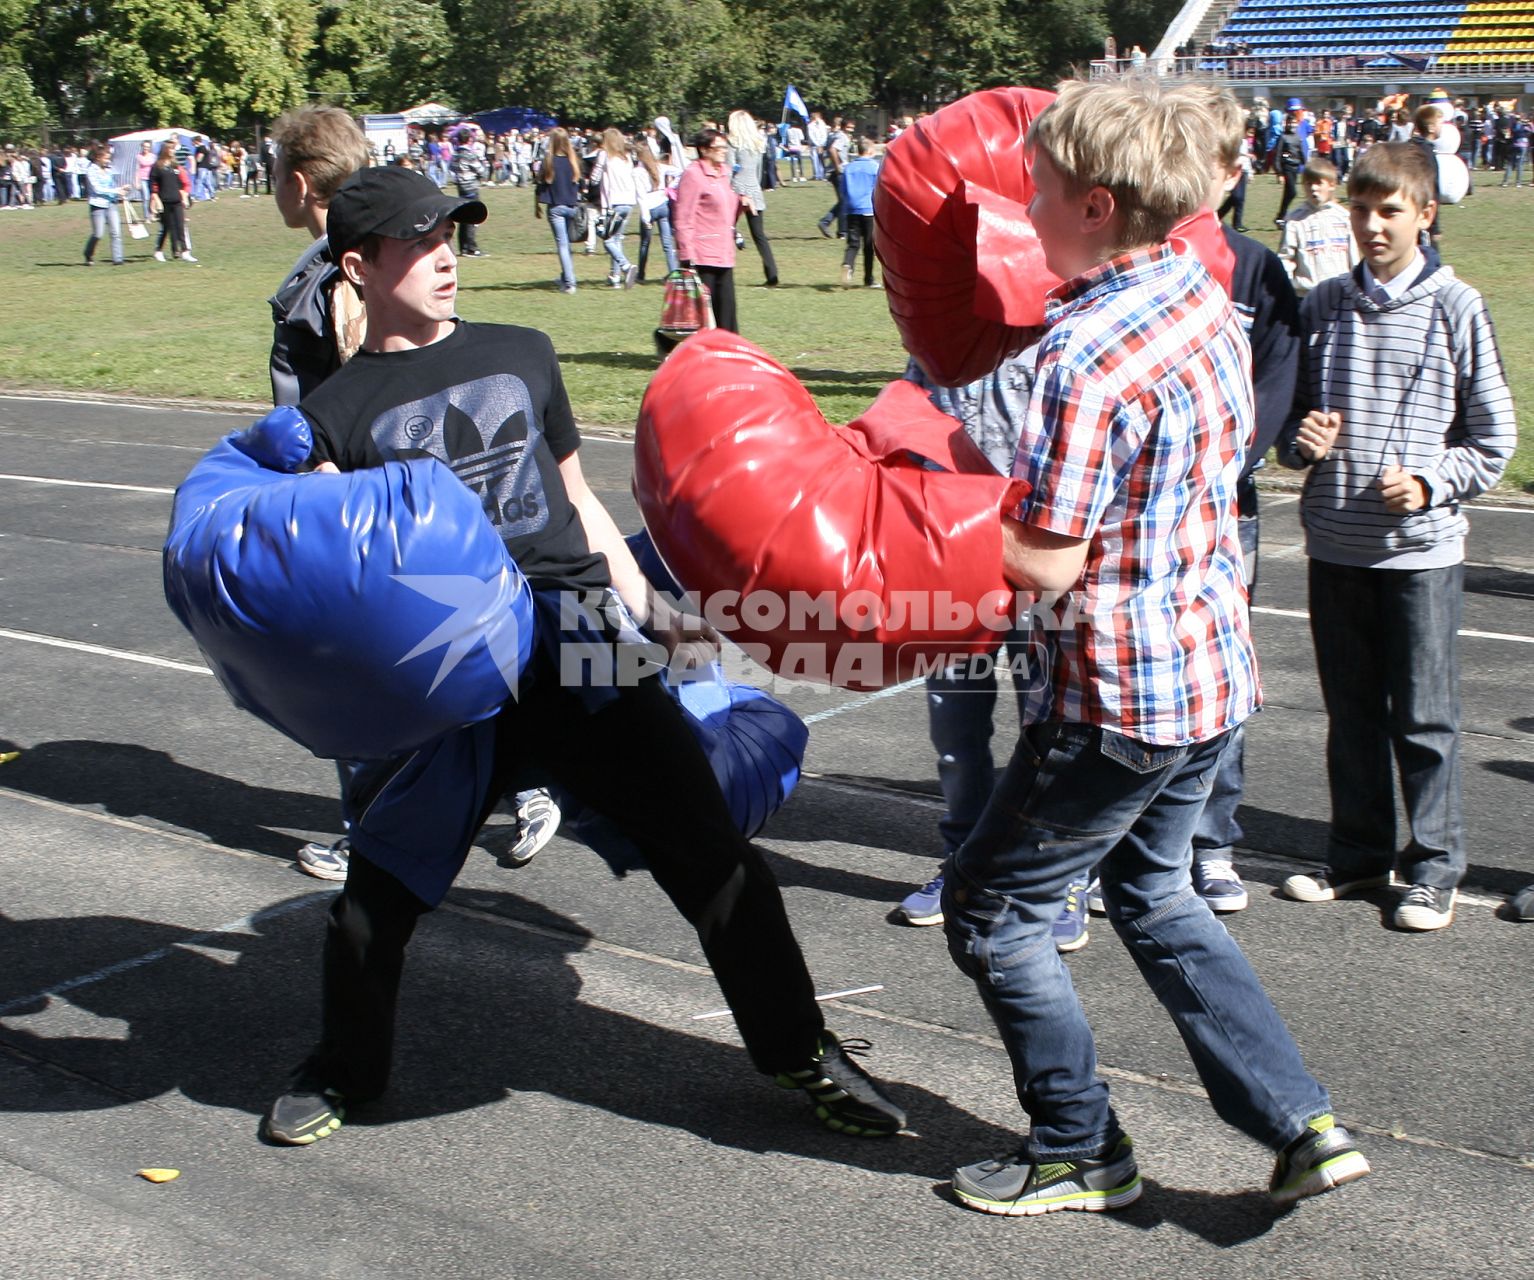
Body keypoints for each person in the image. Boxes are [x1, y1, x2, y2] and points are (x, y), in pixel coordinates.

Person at [260, 164, 905, 1147]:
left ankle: (801, 1049)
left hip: (580, 643)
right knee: (374, 897)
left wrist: (656, 614)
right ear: (359, 263)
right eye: (419, 242)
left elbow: (580, 503)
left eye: (451, 237)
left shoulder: (522, 352)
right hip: (451, 675)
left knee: (715, 859)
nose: (445, 258)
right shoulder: (336, 414)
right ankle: (340, 1069)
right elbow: (345, 581)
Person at [941, 76, 1367, 1218]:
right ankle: (1299, 1120)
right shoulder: (1197, 292)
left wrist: (922, 510)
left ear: (1091, 203)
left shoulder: (1084, 356)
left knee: (991, 911)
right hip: (1207, 672)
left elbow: (1043, 562)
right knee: (1158, 893)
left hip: (1114, 694)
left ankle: (1078, 1143)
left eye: (1034, 188)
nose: (1021, 205)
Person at [1277, 142, 1515, 932]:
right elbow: (1291, 421)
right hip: (1336, 543)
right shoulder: (1325, 306)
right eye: (1360, 210)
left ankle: (1435, 868)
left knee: (1424, 718)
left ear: (1425, 214)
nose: (1372, 226)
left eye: (1389, 211)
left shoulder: (1457, 305)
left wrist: (1429, 482)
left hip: (1420, 552)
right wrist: (1301, 441)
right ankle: (1356, 856)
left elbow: (1494, 437)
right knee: (1351, 716)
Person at [674, 128, 745, 333]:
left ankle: (729, 350)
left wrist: (742, 204)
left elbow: (727, 212)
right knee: (701, 313)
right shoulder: (693, 175)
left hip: (723, 251)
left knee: (727, 309)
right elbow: (683, 216)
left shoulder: (724, 173)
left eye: (725, 147)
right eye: (719, 147)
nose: (724, 151)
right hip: (702, 254)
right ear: (704, 150)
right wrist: (687, 254)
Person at [1277, 156, 1358, 295]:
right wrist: (1286, 289)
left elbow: (1353, 258)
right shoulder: (1295, 219)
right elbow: (1285, 258)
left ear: (1332, 185)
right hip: (1306, 295)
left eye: (1319, 183)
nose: (1313, 188)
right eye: (1308, 184)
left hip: (1340, 294)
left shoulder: (1344, 217)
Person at [727, 111, 778, 288]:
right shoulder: (757, 144)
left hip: (735, 190)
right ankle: (772, 274)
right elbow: (758, 172)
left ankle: (724, 271)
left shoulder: (732, 143)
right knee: (759, 235)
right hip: (754, 190)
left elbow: (729, 169)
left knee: (725, 229)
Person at [536, 127, 584, 294]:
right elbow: (581, 184)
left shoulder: (549, 160)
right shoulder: (574, 161)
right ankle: (566, 276)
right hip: (572, 205)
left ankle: (570, 283)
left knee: (562, 245)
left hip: (556, 207)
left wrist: (536, 204)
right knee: (567, 245)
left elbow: (540, 184)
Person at [590, 127, 638, 288]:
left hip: (614, 202)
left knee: (608, 240)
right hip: (629, 202)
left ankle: (625, 266)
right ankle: (615, 276)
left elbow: (594, 179)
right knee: (617, 238)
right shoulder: (627, 157)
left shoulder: (604, 155)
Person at [838, 137, 881, 288]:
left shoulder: (848, 168)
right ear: (869, 151)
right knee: (869, 245)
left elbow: (842, 190)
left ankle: (847, 264)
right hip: (868, 209)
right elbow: (880, 188)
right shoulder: (875, 167)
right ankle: (868, 278)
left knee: (853, 243)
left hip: (851, 209)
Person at [633, 143, 680, 282]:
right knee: (667, 243)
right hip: (662, 204)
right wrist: (668, 188)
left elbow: (641, 196)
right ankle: (673, 272)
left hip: (649, 206)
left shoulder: (637, 172)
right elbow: (680, 172)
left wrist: (645, 217)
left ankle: (641, 274)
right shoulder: (660, 167)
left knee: (645, 243)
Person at [82, 143, 129, 266]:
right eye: (106, 158)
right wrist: (115, 191)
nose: (108, 161)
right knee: (98, 234)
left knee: (116, 232)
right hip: (97, 205)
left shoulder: (108, 170)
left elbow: (111, 186)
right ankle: (88, 253)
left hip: (111, 203)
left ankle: (118, 259)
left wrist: (121, 189)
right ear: (98, 158)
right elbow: (97, 189)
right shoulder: (91, 170)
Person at [149, 140, 195, 263]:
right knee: (167, 227)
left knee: (181, 226)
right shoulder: (157, 166)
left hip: (177, 200)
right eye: (171, 148)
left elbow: (180, 184)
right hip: (164, 201)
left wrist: (184, 197)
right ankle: (158, 251)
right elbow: (153, 186)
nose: (173, 151)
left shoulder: (175, 165)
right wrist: (155, 200)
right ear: (165, 150)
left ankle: (185, 252)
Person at [450, 128, 488, 257]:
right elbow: (481, 171)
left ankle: (463, 247)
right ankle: (472, 248)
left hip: (460, 187)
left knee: (463, 217)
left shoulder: (455, 155)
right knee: (473, 218)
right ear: (469, 139)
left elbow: (451, 168)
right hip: (471, 187)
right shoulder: (470, 155)